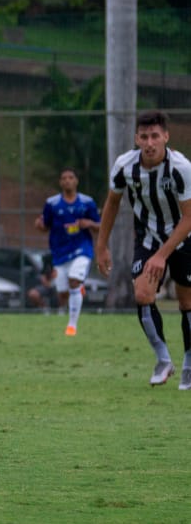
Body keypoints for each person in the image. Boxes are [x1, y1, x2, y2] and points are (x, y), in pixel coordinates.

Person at [96, 110, 191, 388]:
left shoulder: (181, 168)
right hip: (148, 237)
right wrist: (101, 246)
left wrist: (163, 256)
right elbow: (112, 203)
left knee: (186, 302)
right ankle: (163, 360)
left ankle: (189, 362)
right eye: (144, 136)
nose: (150, 143)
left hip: (184, 236)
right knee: (142, 293)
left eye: (155, 136)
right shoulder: (125, 166)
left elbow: (189, 217)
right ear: (137, 138)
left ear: (166, 137)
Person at [34, 167, 101, 336]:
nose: (67, 181)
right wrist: (40, 226)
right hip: (59, 253)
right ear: (60, 182)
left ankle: (72, 326)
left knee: (73, 281)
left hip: (81, 249)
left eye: (71, 177)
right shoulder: (52, 203)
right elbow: (45, 226)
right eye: (64, 178)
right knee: (62, 295)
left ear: (76, 181)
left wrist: (89, 224)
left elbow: (100, 226)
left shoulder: (87, 202)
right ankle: (79, 287)